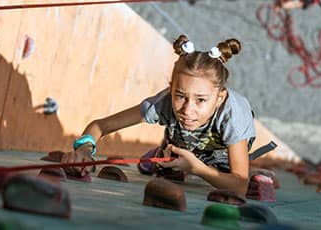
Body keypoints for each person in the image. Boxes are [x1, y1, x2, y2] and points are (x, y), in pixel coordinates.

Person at [62, 35, 256, 195]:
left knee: (224, 174)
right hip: (184, 145)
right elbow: (100, 126)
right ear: (171, 89)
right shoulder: (162, 103)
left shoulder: (233, 116)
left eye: (201, 100)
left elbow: (239, 185)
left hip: (220, 157)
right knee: (167, 167)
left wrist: (196, 168)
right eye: (180, 96)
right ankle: (165, 155)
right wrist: (85, 150)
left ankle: (174, 158)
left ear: (220, 98)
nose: (188, 110)